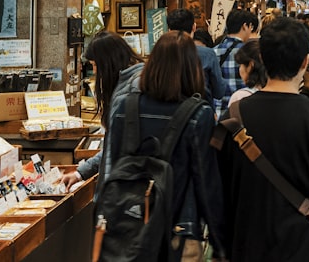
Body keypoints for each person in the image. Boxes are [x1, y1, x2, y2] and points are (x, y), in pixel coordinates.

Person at [217, 17, 309, 261]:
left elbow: (216, 188)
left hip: (246, 246)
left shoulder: (232, 117)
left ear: (263, 60)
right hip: (301, 247)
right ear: (305, 61)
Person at [98, 31, 228, 261]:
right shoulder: (199, 115)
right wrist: (221, 243)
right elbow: (207, 185)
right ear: (192, 68)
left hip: (127, 230)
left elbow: (112, 167)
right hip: (178, 232)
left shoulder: (123, 109)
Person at [62, 31, 144, 185]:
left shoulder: (129, 91)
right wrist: (81, 173)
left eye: (94, 64)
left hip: (125, 187)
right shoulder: (130, 83)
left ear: (107, 61)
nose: (94, 71)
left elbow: (115, 148)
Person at [168, 8, 226, 110]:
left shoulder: (160, 52)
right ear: (194, 27)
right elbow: (219, 92)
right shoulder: (207, 54)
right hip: (200, 112)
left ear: (169, 29)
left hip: (167, 112)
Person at [212, 9, 258, 118]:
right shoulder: (248, 52)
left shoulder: (213, 51)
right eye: (250, 27)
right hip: (242, 112)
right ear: (244, 26)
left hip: (219, 113)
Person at [227, 40, 266, 106]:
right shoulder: (279, 94)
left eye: (241, 65)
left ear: (250, 66)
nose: (240, 69)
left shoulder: (240, 96)